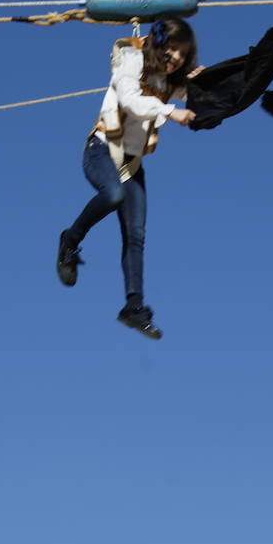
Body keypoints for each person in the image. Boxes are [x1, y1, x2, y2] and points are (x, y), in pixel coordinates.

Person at [55, 17, 200, 338]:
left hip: (132, 164)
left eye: (182, 53)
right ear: (159, 43)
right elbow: (131, 100)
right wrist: (169, 111)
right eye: (172, 48)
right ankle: (70, 240)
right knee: (113, 195)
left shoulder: (169, 81)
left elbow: (195, 98)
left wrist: (204, 83)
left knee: (136, 235)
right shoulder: (131, 61)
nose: (175, 57)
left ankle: (133, 308)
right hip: (102, 149)